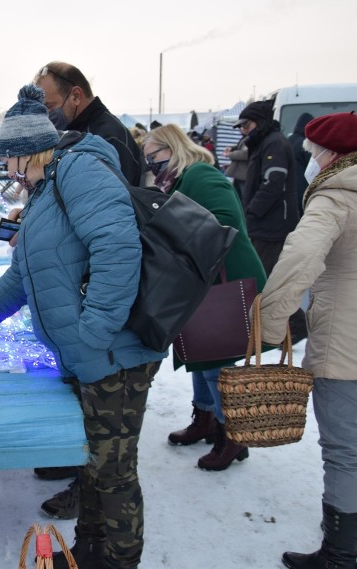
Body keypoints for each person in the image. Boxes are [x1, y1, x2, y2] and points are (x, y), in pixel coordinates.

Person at [0, 85, 165, 569]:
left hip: (117, 354)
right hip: (89, 355)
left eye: (10, 161)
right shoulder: (47, 190)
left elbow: (118, 251)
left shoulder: (81, 171)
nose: (7, 172)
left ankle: (119, 561)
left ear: (31, 153)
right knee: (91, 465)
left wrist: (93, 333)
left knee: (113, 474)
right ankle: (90, 552)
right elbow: (23, 277)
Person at [31, 61, 146, 506]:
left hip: (107, 321)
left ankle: (88, 491)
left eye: (52, 105)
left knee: (110, 461)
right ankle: (81, 471)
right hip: (90, 309)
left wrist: (93, 332)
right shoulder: (76, 142)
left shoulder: (99, 141)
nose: (49, 114)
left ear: (76, 96)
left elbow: (116, 246)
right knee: (93, 429)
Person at [258, 112, 357, 569]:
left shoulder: (336, 197)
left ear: (333, 156)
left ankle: (339, 557)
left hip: (346, 344)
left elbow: (298, 259)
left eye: (313, 154)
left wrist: (265, 324)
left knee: (345, 452)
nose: (310, 162)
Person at [142, 124, 267, 471]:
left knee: (216, 358)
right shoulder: (180, 179)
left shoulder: (201, 174)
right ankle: (206, 417)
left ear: (174, 148)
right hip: (201, 278)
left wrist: (172, 233)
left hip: (223, 279)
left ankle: (232, 433)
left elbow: (225, 221)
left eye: (155, 156)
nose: (151, 164)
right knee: (200, 351)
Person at [236, 100, 308, 343]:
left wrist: (251, 212)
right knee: (265, 277)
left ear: (260, 121)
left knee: (267, 279)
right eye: (240, 126)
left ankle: (295, 325)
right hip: (265, 224)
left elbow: (273, 183)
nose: (243, 130)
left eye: (246, 124)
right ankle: (288, 326)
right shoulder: (264, 142)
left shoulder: (274, 143)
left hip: (274, 225)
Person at [34, 61, 144, 186]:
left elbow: (113, 199)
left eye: (50, 106)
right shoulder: (74, 134)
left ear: (76, 96)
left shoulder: (108, 137)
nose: (46, 114)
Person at [288, 112, 315, 214]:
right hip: (302, 184)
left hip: (289, 184)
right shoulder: (304, 143)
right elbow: (312, 164)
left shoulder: (290, 139)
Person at [224, 134, 249, 199]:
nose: (241, 128)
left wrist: (230, 154)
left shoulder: (251, 137)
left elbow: (245, 153)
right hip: (240, 174)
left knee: (243, 198)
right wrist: (232, 148)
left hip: (244, 175)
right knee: (237, 197)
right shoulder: (246, 137)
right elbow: (240, 147)